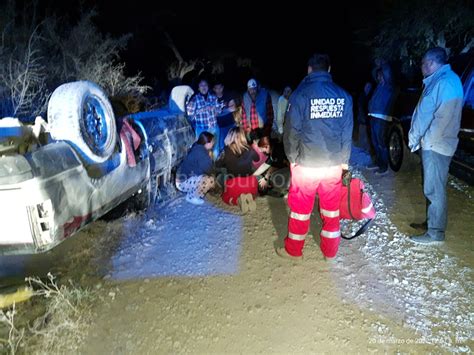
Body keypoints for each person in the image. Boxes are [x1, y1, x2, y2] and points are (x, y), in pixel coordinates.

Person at [277, 53, 353, 261]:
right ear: (329, 70)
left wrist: (292, 159)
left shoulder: (300, 95)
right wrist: (344, 161)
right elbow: (347, 132)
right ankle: (330, 251)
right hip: (333, 165)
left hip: (306, 164)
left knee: (300, 209)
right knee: (331, 209)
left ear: (309, 70)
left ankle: (294, 250)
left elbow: (291, 131)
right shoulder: (344, 96)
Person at [408, 47, 463, 244]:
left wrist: (426, 141)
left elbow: (443, 118)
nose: (421, 67)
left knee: (434, 189)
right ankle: (431, 222)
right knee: (430, 186)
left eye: (423, 63)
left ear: (431, 63)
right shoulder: (439, 80)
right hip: (432, 144)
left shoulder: (447, 82)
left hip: (436, 145)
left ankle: (435, 233)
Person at [216, 127, 260, 213]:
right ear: (243, 136)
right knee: (253, 170)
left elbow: (217, 164)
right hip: (250, 183)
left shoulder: (225, 150)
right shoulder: (249, 149)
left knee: (226, 196)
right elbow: (257, 159)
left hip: (234, 184)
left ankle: (238, 200)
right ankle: (249, 196)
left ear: (229, 137)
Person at [365, 63, 399, 175]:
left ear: (386, 75)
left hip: (382, 119)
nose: (378, 77)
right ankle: (378, 163)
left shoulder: (389, 87)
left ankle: (383, 166)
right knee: (375, 142)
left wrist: (382, 63)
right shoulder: (379, 86)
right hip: (373, 117)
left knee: (381, 143)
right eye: (378, 75)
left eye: (381, 75)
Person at [186, 78, 223, 159]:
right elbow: (189, 114)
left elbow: (219, 110)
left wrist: (215, 108)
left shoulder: (213, 97)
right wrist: (199, 110)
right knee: (202, 150)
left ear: (208, 87)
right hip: (202, 130)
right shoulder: (194, 99)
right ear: (198, 88)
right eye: (201, 85)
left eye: (205, 85)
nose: (204, 87)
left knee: (215, 148)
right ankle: (203, 168)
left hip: (213, 127)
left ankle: (214, 166)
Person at [175, 131, 216, 205]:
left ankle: (192, 191)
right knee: (210, 180)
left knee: (205, 177)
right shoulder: (201, 152)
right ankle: (192, 197)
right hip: (183, 182)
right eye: (212, 142)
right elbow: (209, 169)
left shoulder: (197, 147)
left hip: (182, 179)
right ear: (207, 143)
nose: (213, 144)